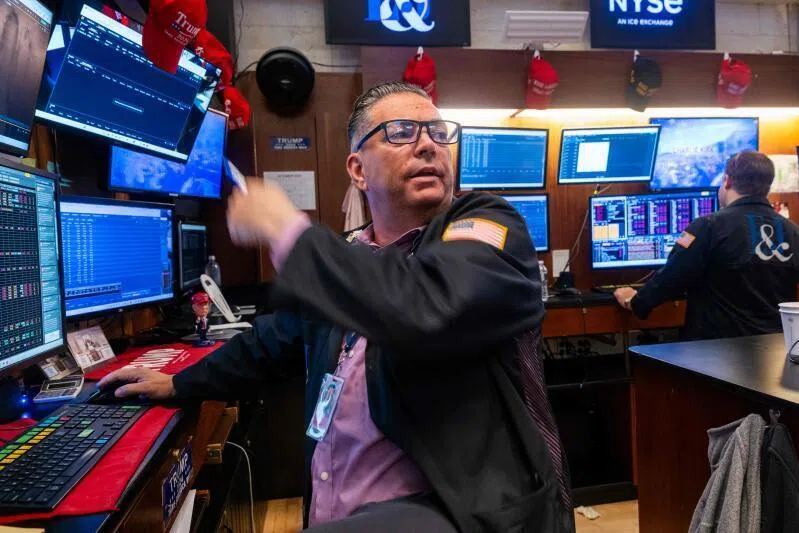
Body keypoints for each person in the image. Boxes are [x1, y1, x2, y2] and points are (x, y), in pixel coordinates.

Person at [99, 82, 573, 533]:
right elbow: (269, 343)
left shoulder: (489, 226)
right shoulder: (350, 260)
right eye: (402, 132)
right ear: (357, 169)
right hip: (339, 512)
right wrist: (178, 382)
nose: (428, 145)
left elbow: (427, 306)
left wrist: (286, 230)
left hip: (465, 517)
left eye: (439, 133)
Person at [614, 150, 799, 340]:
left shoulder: (708, 226)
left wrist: (636, 301)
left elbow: (672, 278)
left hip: (717, 352)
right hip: (776, 349)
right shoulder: (793, 231)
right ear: (767, 186)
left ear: (727, 181)